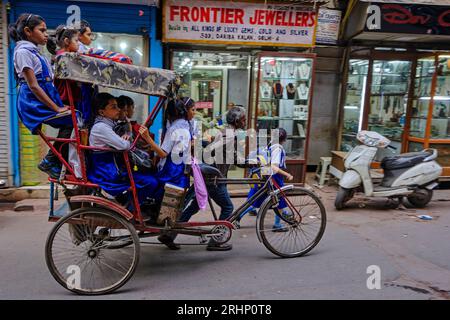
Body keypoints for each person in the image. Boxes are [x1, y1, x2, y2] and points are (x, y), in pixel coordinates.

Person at [171, 106, 247, 252]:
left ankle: (170, 234)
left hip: (209, 176)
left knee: (195, 206)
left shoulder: (225, 132)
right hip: (216, 180)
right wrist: (255, 161)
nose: (245, 122)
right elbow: (237, 160)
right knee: (228, 208)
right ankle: (215, 241)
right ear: (237, 121)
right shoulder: (230, 136)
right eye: (243, 119)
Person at [9, 14, 72, 179]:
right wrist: (56, 107)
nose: (46, 34)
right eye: (42, 30)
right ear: (28, 31)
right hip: (32, 101)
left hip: (42, 97)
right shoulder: (23, 52)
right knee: (71, 120)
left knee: (74, 118)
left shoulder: (35, 52)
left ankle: (54, 160)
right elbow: (34, 86)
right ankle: (51, 160)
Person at [88, 93, 159, 215]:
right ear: (101, 112)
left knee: (151, 176)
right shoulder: (101, 127)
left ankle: (131, 204)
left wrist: (126, 138)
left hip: (115, 166)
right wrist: (125, 139)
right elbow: (124, 145)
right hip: (108, 171)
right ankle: (131, 210)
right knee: (151, 182)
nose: (119, 110)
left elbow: (125, 143)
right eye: (113, 107)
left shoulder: (110, 124)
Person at [237, 128, 294, 231]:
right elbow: (274, 167)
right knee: (279, 200)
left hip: (265, 174)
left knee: (256, 198)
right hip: (274, 177)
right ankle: (277, 225)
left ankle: (238, 217)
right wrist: (287, 174)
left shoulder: (270, 145)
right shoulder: (278, 148)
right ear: (284, 139)